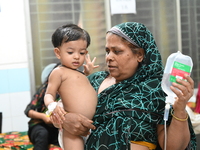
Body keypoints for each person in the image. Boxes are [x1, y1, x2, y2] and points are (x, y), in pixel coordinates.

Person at [52, 22, 197, 150]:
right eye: (107, 51)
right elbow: (57, 107)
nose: (109, 57)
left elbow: (172, 147)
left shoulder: (156, 90)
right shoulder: (92, 81)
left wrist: (179, 109)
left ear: (140, 55)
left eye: (117, 51)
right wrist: (64, 120)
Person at [44, 24, 98, 150]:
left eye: (82, 52)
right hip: (71, 131)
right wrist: (52, 106)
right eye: (70, 52)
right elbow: (48, 94)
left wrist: (87, 73)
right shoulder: (59, 72)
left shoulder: (78, 73)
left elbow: (78, 87)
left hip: (88, 127)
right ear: (58, 52)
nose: (77, 56)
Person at [24, 63, 61, 150]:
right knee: (42, 134)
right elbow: (28, 110)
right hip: (39, 126)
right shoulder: (44, 90)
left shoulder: (70, 92)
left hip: (57, 129)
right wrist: (43, 117)